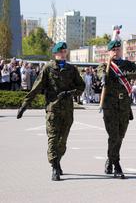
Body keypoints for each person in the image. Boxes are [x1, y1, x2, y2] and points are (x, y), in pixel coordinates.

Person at [16, 42, 85, 181]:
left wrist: (70, 93)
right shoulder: (48, 68)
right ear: (55, 54)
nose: (63, 53)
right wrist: (24, 105)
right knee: (53, 139)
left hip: (67, 110)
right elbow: (36, 87)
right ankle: (54, 166)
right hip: (52, 110)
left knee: (62, 142)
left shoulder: (71, 69)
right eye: (60, 52)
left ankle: (58, 160)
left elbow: (81, 86)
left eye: (65, 51)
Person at [98, 29, 136, 179]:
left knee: (120, 136)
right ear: (108, 52)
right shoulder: (105, 66)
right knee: (113, 136)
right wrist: (104, 77)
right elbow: (101, 74)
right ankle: (116, 164)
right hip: (110, 107)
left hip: (124, 107)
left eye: (118, 49)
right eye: (113, 50)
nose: (116, 51)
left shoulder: (127, 64)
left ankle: (110, 159)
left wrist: (129, 75)